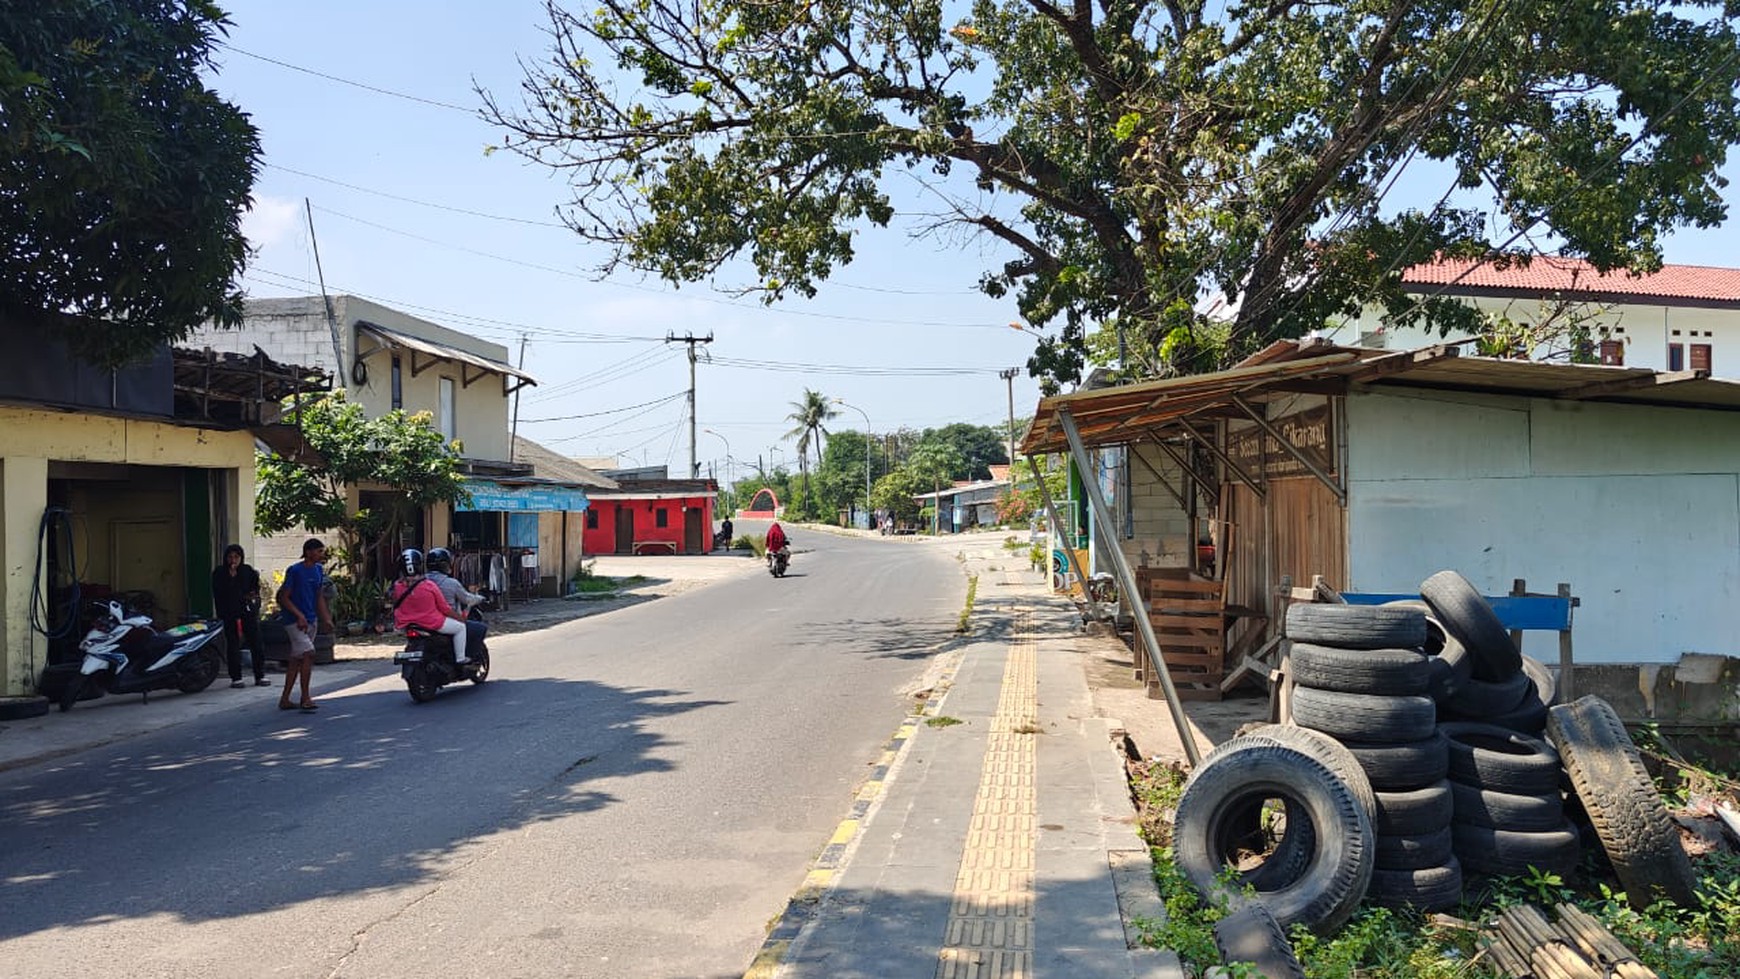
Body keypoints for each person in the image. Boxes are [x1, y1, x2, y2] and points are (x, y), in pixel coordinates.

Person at [275, 538, 331, 712]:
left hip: (311, 619)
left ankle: (285, 699)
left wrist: (326, 619)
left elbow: (318, 597)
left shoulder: (319, 571)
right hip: (294, 621)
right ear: (309, 552)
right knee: (308, 653)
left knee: (296, 659)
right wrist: (298, 615)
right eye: (319, 551)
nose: (322, 554)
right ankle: (305, 697)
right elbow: (283, 597)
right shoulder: (295, 571)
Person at [389, 548, 468, 663]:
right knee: (461, 628)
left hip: (406, 624)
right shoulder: (429, 586)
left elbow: (392, 600)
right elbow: (445, 608)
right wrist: (460, 618)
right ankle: (461, 658)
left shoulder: (397, 587)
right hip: (431, 623)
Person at [211, 543, 267, 688]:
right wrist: (230, 577)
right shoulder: (219, 572)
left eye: (236, 557)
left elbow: (254, 588)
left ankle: (260, 675)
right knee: (233, 644)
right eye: (230, 557)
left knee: (256, 642)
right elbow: (218, 592)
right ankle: (236, 677)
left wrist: (251, 598)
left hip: (247, 612)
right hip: (229, 613)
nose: (233, 560)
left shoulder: (247, 571)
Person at [424, 546, 486, 656]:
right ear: (446, 564)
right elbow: (467, 598)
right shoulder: (451, 583)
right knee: (478, 628)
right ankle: (462, 659)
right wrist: (480, 598)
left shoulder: (420, 582)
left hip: (422, 621)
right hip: (444, 621)